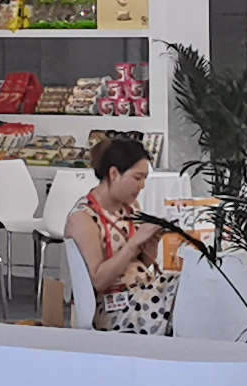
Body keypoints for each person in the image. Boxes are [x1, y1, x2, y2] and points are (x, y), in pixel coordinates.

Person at [53, 131, 176, 335]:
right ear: (114, 174)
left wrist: (151, 243)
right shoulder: (83, 218)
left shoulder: (130, 208)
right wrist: (133, 244)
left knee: (187, 284)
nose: (142, 186)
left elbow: (138, 265)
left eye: (144, 178)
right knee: (182, 296)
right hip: (115, 308)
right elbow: (99, 280)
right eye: (137, 178)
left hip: (143, 295)